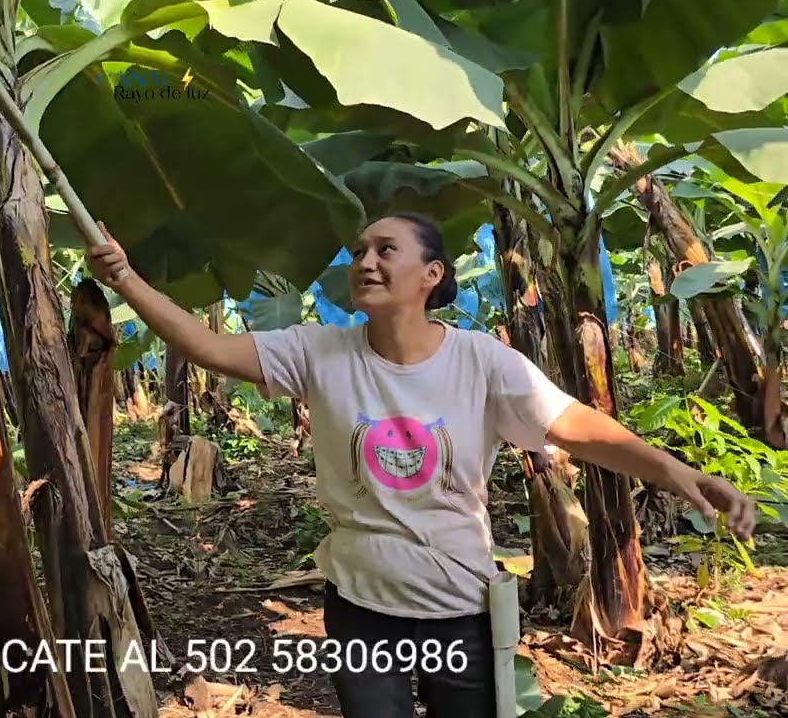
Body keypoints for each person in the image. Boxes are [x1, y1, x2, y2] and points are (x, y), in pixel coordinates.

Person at [85, 212, 756, 718]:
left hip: (460, 609)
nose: (365, 262)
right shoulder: (318, 351)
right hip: (362, 607)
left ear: (431, 275)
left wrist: (674, 471)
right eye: (359, 252)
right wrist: (124, 279)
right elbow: (203, 343)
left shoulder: (480, 361)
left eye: (386, 250)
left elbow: (577, 426)